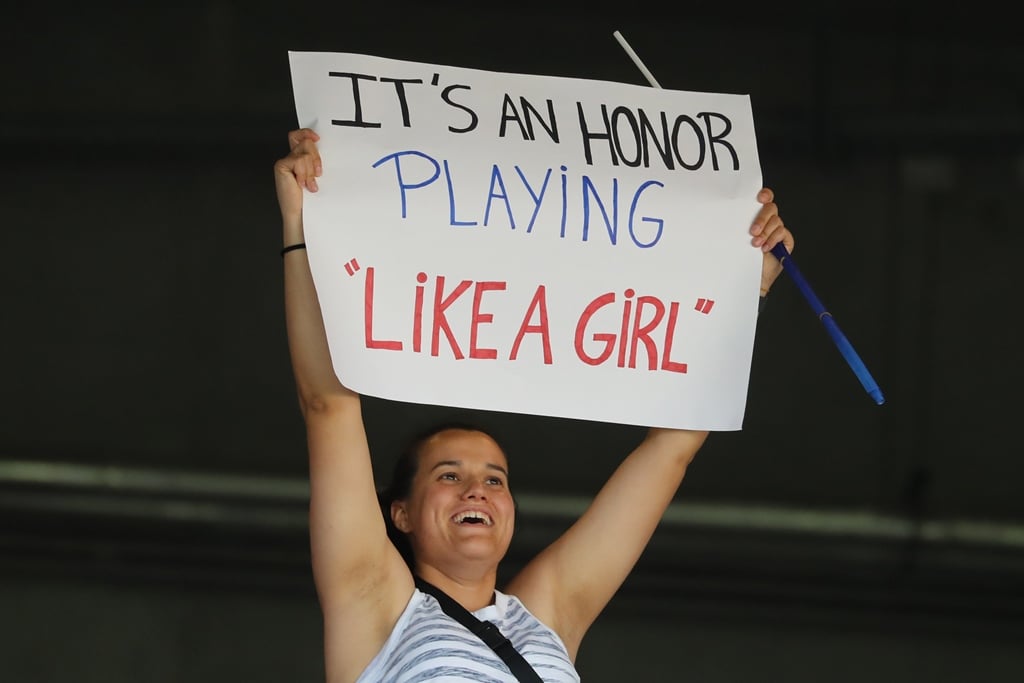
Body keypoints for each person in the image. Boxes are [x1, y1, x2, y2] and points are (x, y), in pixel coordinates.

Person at [274, 127, 795, 683]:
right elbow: (329, 406)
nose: (477, 490)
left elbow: (670, 452)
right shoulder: (374, 603)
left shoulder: (547, 614)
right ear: (399, 513)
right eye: (449, 476)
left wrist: (745, 289)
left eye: (495, 480)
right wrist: (301, 224)